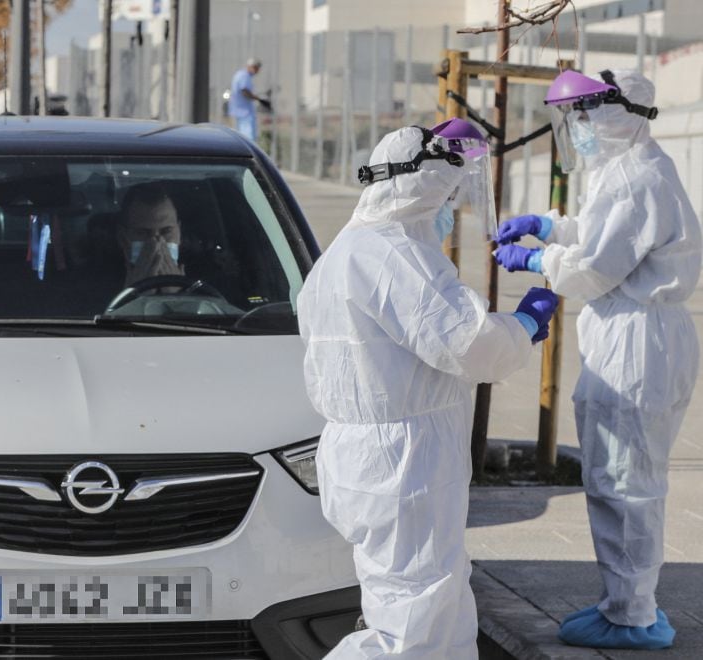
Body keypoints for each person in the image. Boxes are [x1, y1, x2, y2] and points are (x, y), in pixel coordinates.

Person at [298, 120, 558, 658]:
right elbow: (469, 344)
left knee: (434, 608)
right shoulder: (394, 255)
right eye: (451, 192)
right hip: (403, 464)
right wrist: (526, 324)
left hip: (375, 460)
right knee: (410, 628)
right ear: (424, 186)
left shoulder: (344, 252)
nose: (452, 209)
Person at [494, 69, 700, 650]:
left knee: (623, 481)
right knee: (631, 477)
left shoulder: (634, 177)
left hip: (637, 340)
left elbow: (593, 267)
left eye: (582, 115)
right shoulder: (633, 166)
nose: (576, 129)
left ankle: (631, 615)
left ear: (614, 113)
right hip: (645, 333)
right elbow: (601, 234)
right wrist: (547, 225)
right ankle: (631, 601)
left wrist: (538, 260)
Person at [116, 182, 184, 287]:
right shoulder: (94, 282)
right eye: (143, 233)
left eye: (166, 231)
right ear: (123, 238)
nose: (157, 242)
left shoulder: (205, 274)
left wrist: (179, 294)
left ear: (179, 233)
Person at [228, 58, 268, 142]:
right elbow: (245, 91)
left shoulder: (240, 75)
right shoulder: (244, 76)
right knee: (248, 139)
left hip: (239, 111)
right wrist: (259, 99)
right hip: (244, 112)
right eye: (256, 68)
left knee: (240, 137)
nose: (257, 71)